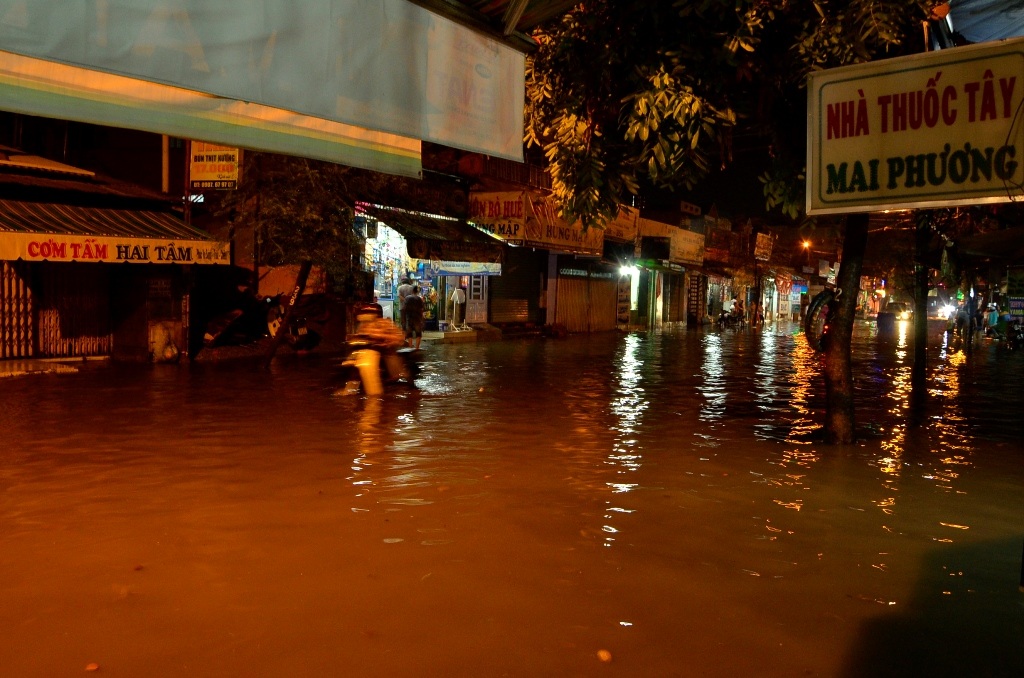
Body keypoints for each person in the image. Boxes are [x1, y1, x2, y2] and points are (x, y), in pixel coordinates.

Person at [404, 284, 425, 350]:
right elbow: (421, 309)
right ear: (417, 291)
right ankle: (417, 348)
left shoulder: (407, 298)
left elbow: (405, 308)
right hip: (417, 318)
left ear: (412, 291)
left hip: (409, 317)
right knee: (418, 334)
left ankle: (410, 347)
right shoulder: (419, 299)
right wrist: (422, 319)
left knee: (409, 334)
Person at [396, 276, 414, 340]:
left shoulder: (399, 287)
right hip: (410, 307)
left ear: (402, 282)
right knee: (409, 320)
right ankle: (409, 335)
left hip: (402, 307)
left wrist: (404, 300)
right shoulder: (411, 288)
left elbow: (399, 296)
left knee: (403, 321)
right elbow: (414, 295)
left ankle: (404, 335)